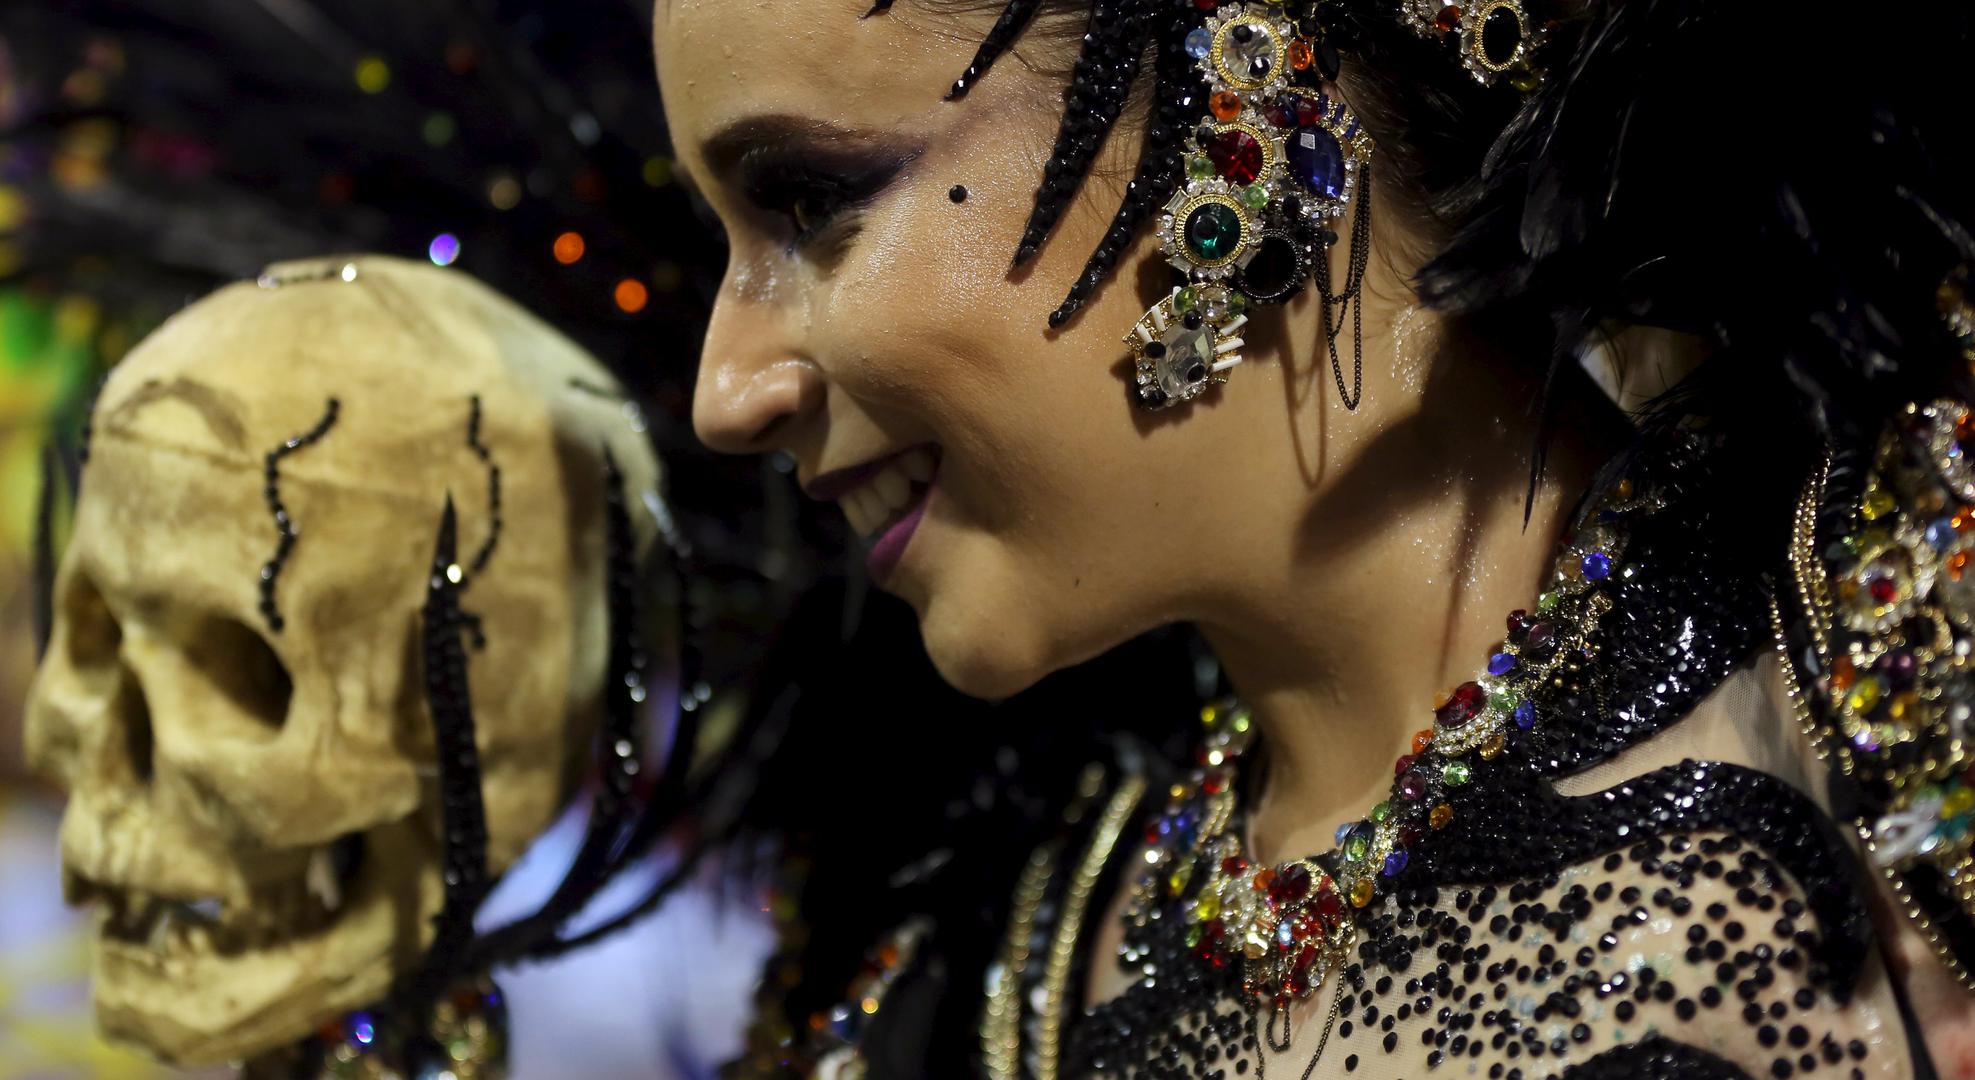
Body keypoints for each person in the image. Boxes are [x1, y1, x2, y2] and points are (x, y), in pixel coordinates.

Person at [653, 0, 1975, 1075]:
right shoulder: (976, 973)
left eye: (808, 200)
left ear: (1246, 96)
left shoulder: (1900, 640)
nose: (725, 391)